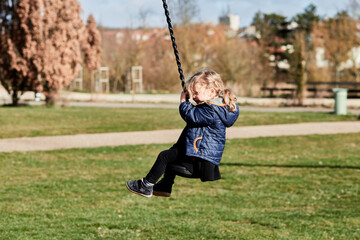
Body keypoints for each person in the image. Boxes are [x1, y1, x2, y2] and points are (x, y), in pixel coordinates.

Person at [126, 68, 239, 197]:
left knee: (164, 156)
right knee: (171, 158)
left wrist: (183, 102)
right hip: (201, 158)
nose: (193, 96)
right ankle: (165, 186)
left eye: (196, 92)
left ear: (211, 92)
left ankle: (146, 185)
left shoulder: (211, 111)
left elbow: (192, 116)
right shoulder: (217, 108)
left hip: (199, 160)